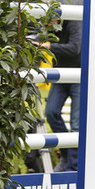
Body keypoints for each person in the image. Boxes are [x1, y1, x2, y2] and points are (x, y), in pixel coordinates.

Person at [34, 19, 81, 172]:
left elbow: (75, 48)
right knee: (51, 113)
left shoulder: (73, 23)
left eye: (48, 19)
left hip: (77, 76)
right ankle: (66, 155)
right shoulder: (50, 27)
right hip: (60, 76)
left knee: (76, 124)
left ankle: (73, 168)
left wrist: (48, 46)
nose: (46, 23)